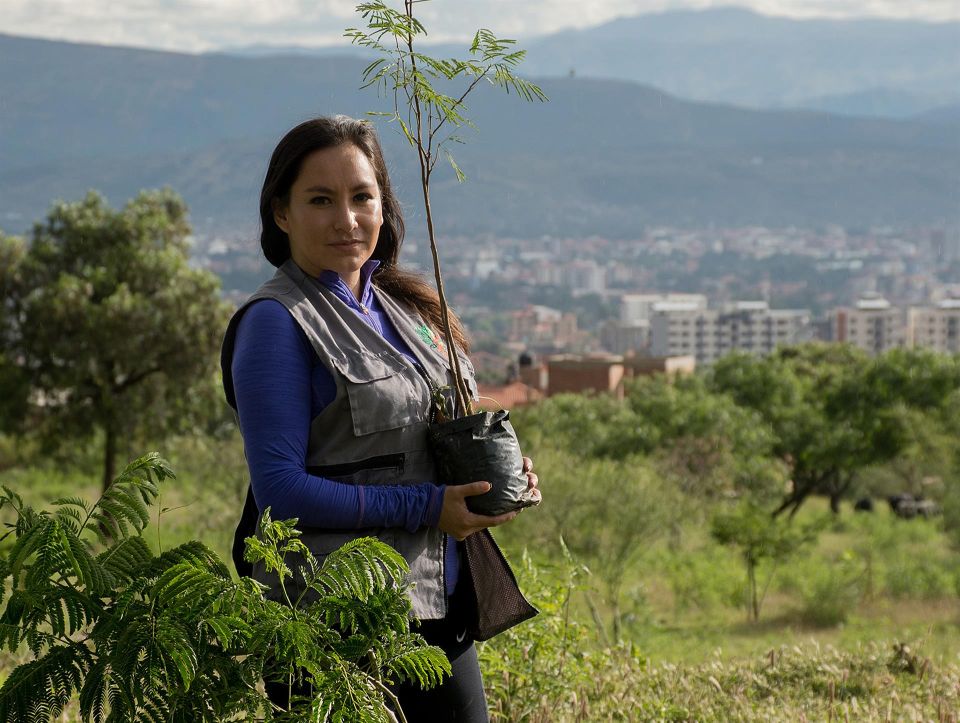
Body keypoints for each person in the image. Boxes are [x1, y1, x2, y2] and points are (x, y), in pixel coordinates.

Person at [220, 115, 540, 721]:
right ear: (281, 213)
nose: (347, 219)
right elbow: (279, 492)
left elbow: (428, 436)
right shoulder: (275, 324)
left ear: (383, 205)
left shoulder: (402, 310)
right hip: (332, 624)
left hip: (436, 606)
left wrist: (497, 479)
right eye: (320, 200)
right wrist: (428, 506)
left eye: (362, 197)